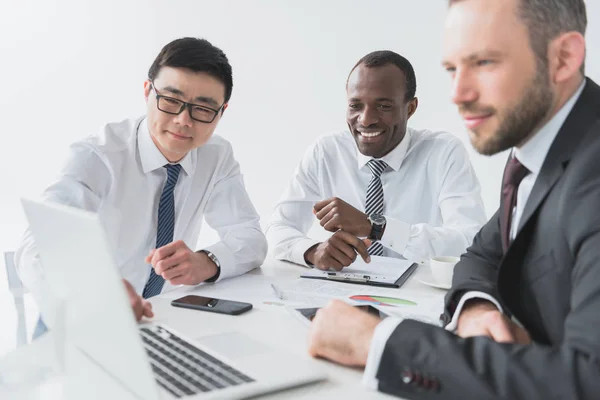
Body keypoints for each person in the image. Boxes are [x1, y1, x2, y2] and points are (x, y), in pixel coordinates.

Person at [307, 0, 600, 398]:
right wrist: (477, 308)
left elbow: (586, 381)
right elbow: (481, 255)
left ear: (563, 58)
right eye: (452, 69)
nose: (458, 94)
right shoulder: (540, 150)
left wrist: (379, 343)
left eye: (484, 63)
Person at [16, 37, 267, 330]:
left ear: (221, 112)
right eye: (171, 101)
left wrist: (207, 262)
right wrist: (96, 290)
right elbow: (35, 248)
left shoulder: (216, 155)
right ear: (148, 92)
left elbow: (250, 238)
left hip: (157, 319)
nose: (184, 121)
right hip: (79, 317)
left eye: (202, 109)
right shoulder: (98, 156)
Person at [266, 51, 486, 271]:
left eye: (384, 106)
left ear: (410, 108)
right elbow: (277, 228)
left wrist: (376, 228)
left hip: (416, 297)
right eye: (355, 105)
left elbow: (470, 241)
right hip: (340, 292)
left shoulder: (443, 153)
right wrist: (314, 251)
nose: (366, 119)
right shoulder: (326, 151)